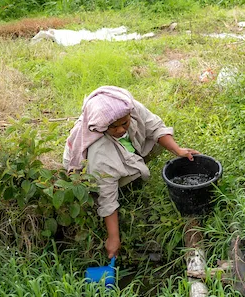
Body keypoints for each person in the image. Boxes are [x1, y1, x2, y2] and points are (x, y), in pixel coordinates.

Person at [63, 86, 198, 259]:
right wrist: (114, 237)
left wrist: (178, 150)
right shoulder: (99, 152)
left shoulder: (130, 108)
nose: (120, 130)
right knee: (126, 175)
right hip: (94, 172)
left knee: (157, 142)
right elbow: (107, 197)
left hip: (116, 153)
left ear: (129, 114)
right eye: (113, 127)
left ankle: (132, 161)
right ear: (103, 125)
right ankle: (128, 180)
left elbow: (155, 127)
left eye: (124, 124)